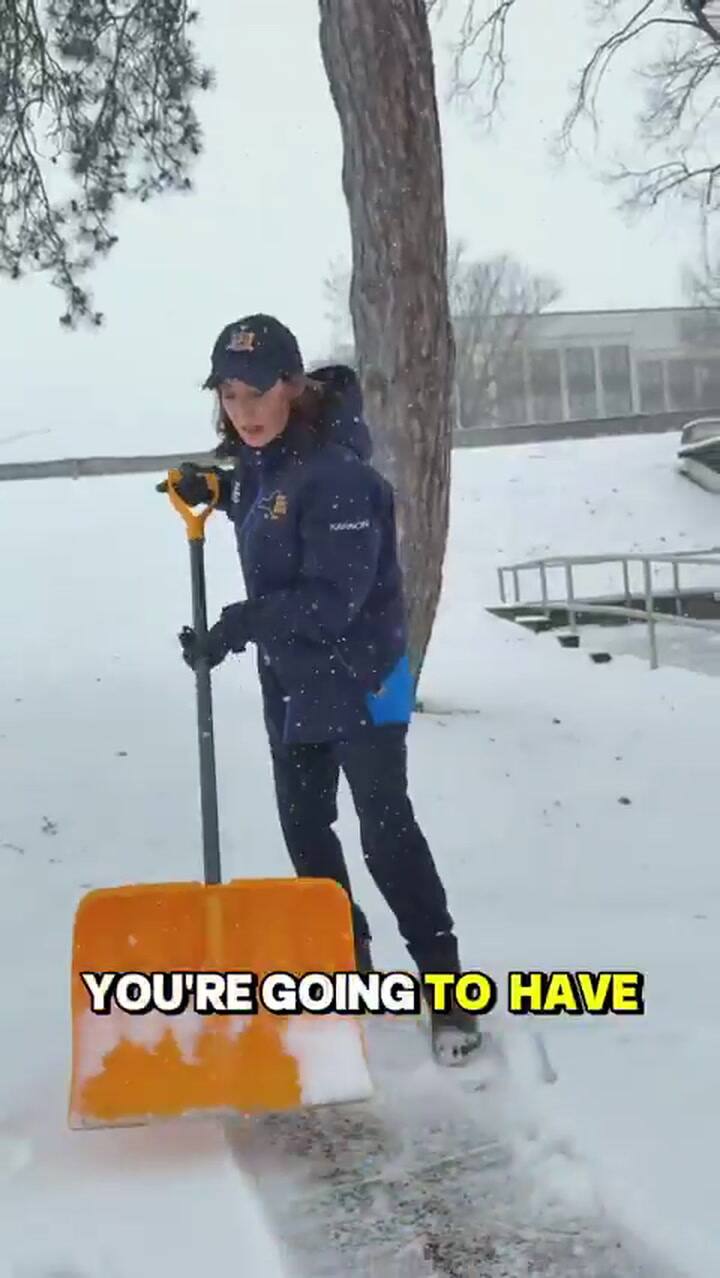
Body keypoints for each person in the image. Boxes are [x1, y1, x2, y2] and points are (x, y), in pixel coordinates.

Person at [167, 313, 481, 1064]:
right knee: (306, 829)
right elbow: (263, 503)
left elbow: (331, 601)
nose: (243, 411)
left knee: (385, 835)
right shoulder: (266, 464)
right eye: (230, 395)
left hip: (365, 677)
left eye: (258, 393)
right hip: (295, 682)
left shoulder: (340, 477)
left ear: (293, 386)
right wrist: (213, 486)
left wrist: (237, 623)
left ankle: (447, 993)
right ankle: (351, 964)